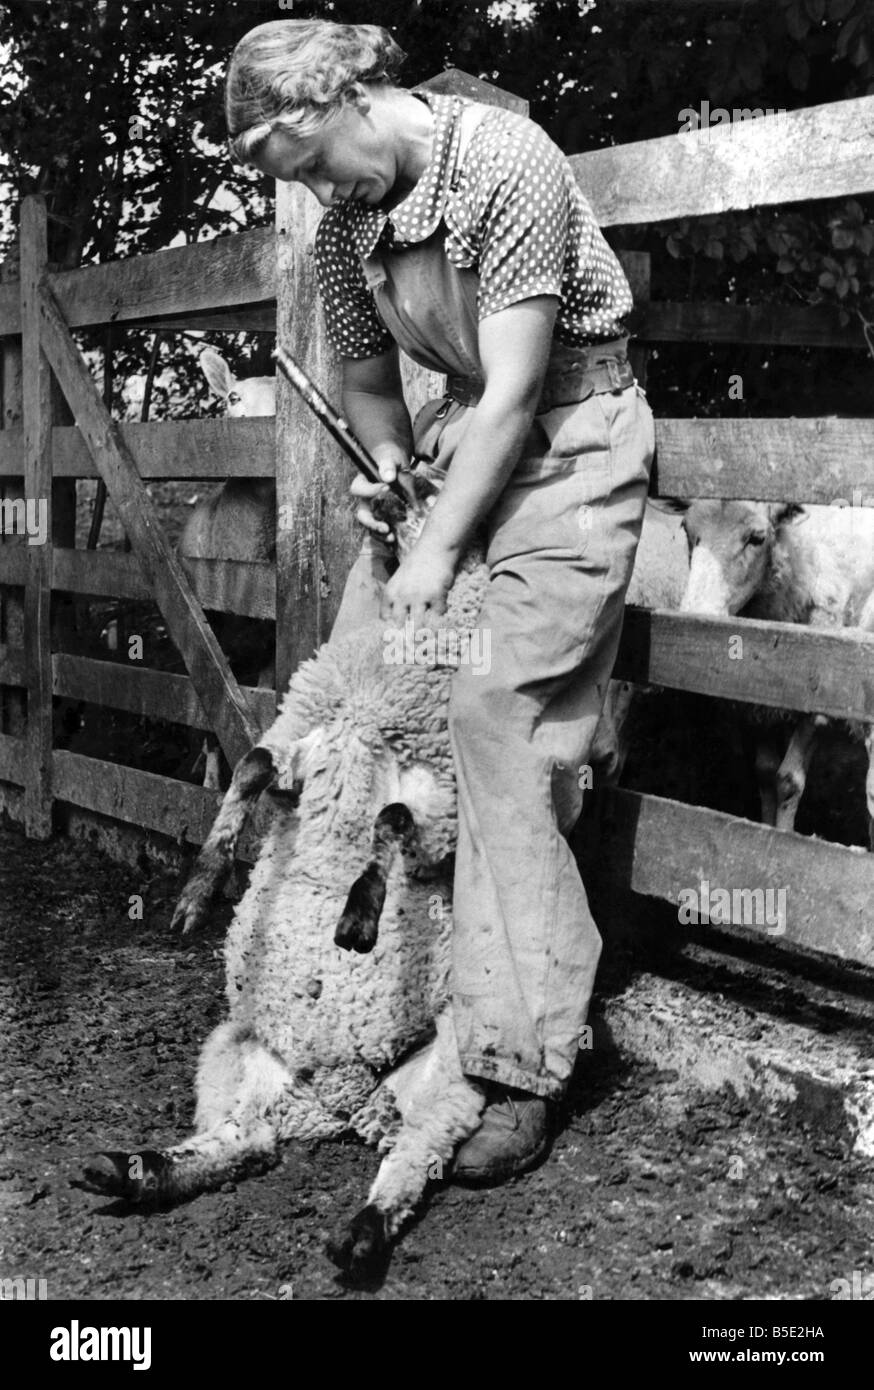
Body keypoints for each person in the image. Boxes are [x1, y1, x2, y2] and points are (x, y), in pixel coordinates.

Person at [225, 18, 655, 1184]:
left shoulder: (502, 162)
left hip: (570, 452)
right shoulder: (346, 228)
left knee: (493, 717)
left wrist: (439, 546)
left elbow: (518, 385)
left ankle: (520, 1063)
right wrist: (386, 469)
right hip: (470, 447)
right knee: (362, 694)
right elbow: (370, 389)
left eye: (312, 161)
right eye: (292, 181)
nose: (315, 191)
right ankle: (358, 1007)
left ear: (354, 90)